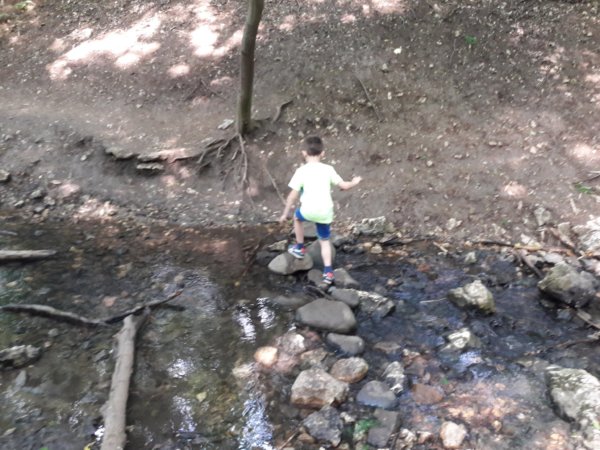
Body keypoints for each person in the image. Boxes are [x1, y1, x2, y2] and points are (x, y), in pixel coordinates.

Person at [279, 136, 362, 285]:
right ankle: (328, 272)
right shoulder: (328, 169)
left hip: (308, 210)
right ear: (323, 153)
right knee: (324, 241)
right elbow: (344, 186)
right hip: (325, 212)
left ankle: (299, 248)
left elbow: (292, 195)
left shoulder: (301, 171)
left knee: (297, 218)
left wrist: (285, 213)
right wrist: (354, 182)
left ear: (304, 153)